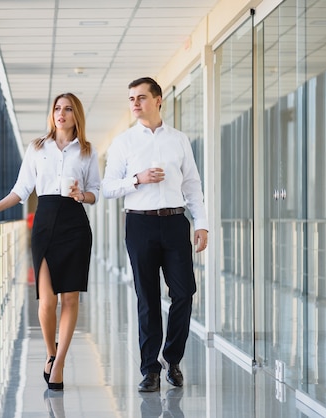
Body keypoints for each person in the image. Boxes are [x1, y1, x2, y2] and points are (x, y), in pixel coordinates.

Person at [0, 93, 101, 391]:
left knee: (71, 298)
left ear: (76, 115)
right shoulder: (37, 147)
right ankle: (51, 353)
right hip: (45, 224)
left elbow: (95, 193)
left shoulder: (87, 151)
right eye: (57, 108)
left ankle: (59, 363)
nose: (61, 114)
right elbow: (20, 190)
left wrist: (81, 195)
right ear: (52, 114)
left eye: (67, 109)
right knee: (47, 301)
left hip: (75, 225)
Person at [101, 77, 208, 392]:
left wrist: (200, 222)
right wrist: (137, 179)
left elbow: (192, 185)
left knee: (184, 292)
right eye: (132, 98)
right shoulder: (123, 142)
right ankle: (150, 370)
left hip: (176, 223)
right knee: (147, 299)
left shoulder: (178, 140)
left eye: (141, 97)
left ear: (159, 100)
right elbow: (108, 188)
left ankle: (172, 359)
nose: (135, 103)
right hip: (140, 225)